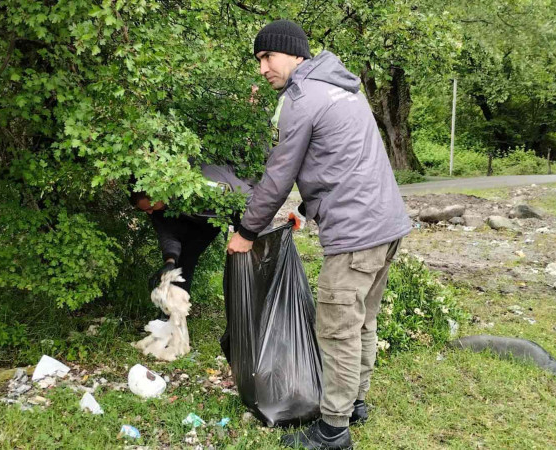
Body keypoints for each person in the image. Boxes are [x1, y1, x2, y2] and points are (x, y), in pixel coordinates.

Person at [226, 20, 413, 449]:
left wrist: (246, 231)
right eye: (258, 60)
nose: (262, 68)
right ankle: (355, 404)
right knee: (362, 320)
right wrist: (305, 212)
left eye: (266, 57)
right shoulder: (343, 89)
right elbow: (341, 165)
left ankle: (332, 430)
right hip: (386, 225)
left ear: (294, 54)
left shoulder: (302, 98)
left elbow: (277, 176)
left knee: (335, 329)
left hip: (356, 234)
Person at [133, 164, 253, 295]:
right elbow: (167, 233)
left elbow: (250, 199)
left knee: (249, 256)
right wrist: (170, 261)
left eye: (150, 207)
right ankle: (174, 312)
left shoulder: (202, 182)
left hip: (254, 209)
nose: (149, 212)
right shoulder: (157, 209)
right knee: (182, 263)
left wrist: (247, 233)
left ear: (159, 193)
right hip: (204, 222)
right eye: (143, 210)